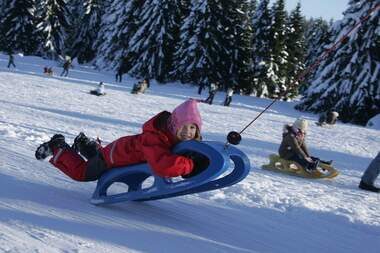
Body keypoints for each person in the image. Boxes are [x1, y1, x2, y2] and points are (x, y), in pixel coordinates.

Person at [35, 99, 209, 181]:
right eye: (183, 127)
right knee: (82, 173)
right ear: (173, 126)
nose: (188, 132)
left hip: (120, 151)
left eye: (192, 128)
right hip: (114, 157)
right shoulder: (155, 139)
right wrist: (190, 165)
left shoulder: (173, 138)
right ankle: (58, 146)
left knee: (100, 156)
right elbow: (161, 164)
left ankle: (85, 144)